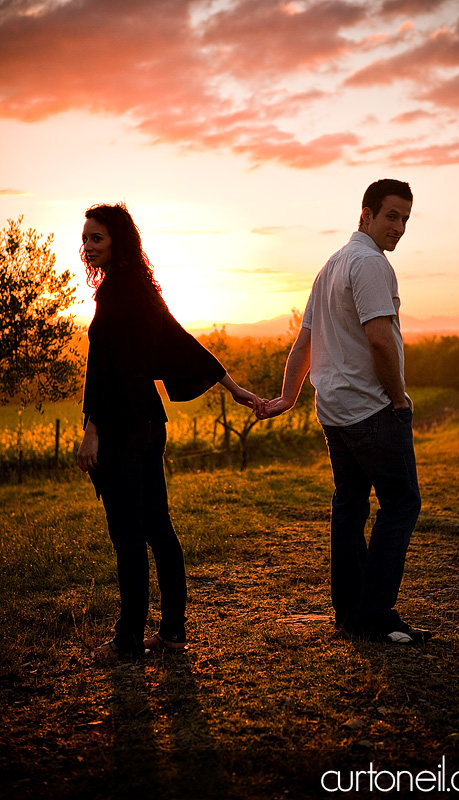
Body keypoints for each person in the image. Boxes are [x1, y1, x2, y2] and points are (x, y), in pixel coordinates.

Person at [77, 202, 264, 661]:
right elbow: (182, 341)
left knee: (128, 535)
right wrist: (233, 387)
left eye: (96, 238)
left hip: (124, 427)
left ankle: (127, 642)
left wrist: (91, 431)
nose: (87, 247)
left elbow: (105, 371)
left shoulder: (119, 293)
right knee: (158, 528)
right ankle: (174, 633)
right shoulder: (141, 289)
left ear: (118, 240)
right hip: (149, 424)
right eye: (84, 239)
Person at [262, 179, 431, 644]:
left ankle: (350, 613)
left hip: (334, 411)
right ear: (366, 215)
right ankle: (375, 613)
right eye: (391, 216)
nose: (398, 228)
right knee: (401, 504)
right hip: (371, 409)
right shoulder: (370, 264)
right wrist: (398, 399)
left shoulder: (330, 265)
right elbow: (380, 339)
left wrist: (289, 395)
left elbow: (304, 340)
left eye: (405, 220)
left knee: (351, 504)